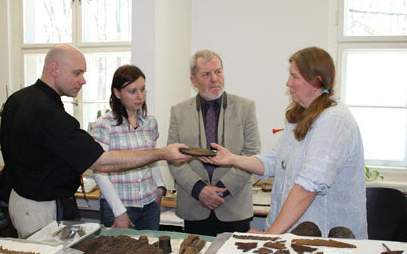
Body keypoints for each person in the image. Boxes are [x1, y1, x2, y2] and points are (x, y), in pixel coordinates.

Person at [0, 43, 189, 238]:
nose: (83, 81)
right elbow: (100, 162)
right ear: (54, 69)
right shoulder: (48, 113)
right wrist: (163, 153)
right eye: (77, 73)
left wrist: (158, 186)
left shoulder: (18, 99)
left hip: (22, 199)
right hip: (41, 208)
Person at [201, 47, 367, 239]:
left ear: (316, 80)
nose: (288, 83)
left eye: (294, 77)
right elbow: (273, 162)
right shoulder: (300, 116)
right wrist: (232, 159)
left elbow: (308, 187)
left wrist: (271, 235)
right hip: (291, 233)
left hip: (325, 235)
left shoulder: (334, 120)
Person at [167, 49, 261, 236]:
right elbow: (173, 159)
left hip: (233, 207)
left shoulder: (245, 108)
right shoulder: (178, 112)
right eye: (206, 74)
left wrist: (221, 190)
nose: (215, 79)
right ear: (194, 80)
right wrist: (199, 189)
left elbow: (251, 154)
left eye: (218, 72)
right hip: (194, 207)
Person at [91, 65, 166, 230]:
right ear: (117, 93)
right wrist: (119, 212)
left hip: (149, 204)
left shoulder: (150, 122)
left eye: (143, 89)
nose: (140, 96)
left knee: (149, 253)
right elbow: (99, 172)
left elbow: (152, 157)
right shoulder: (105, 124)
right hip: (119, 207)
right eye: (132, 91)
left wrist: (160, 187)